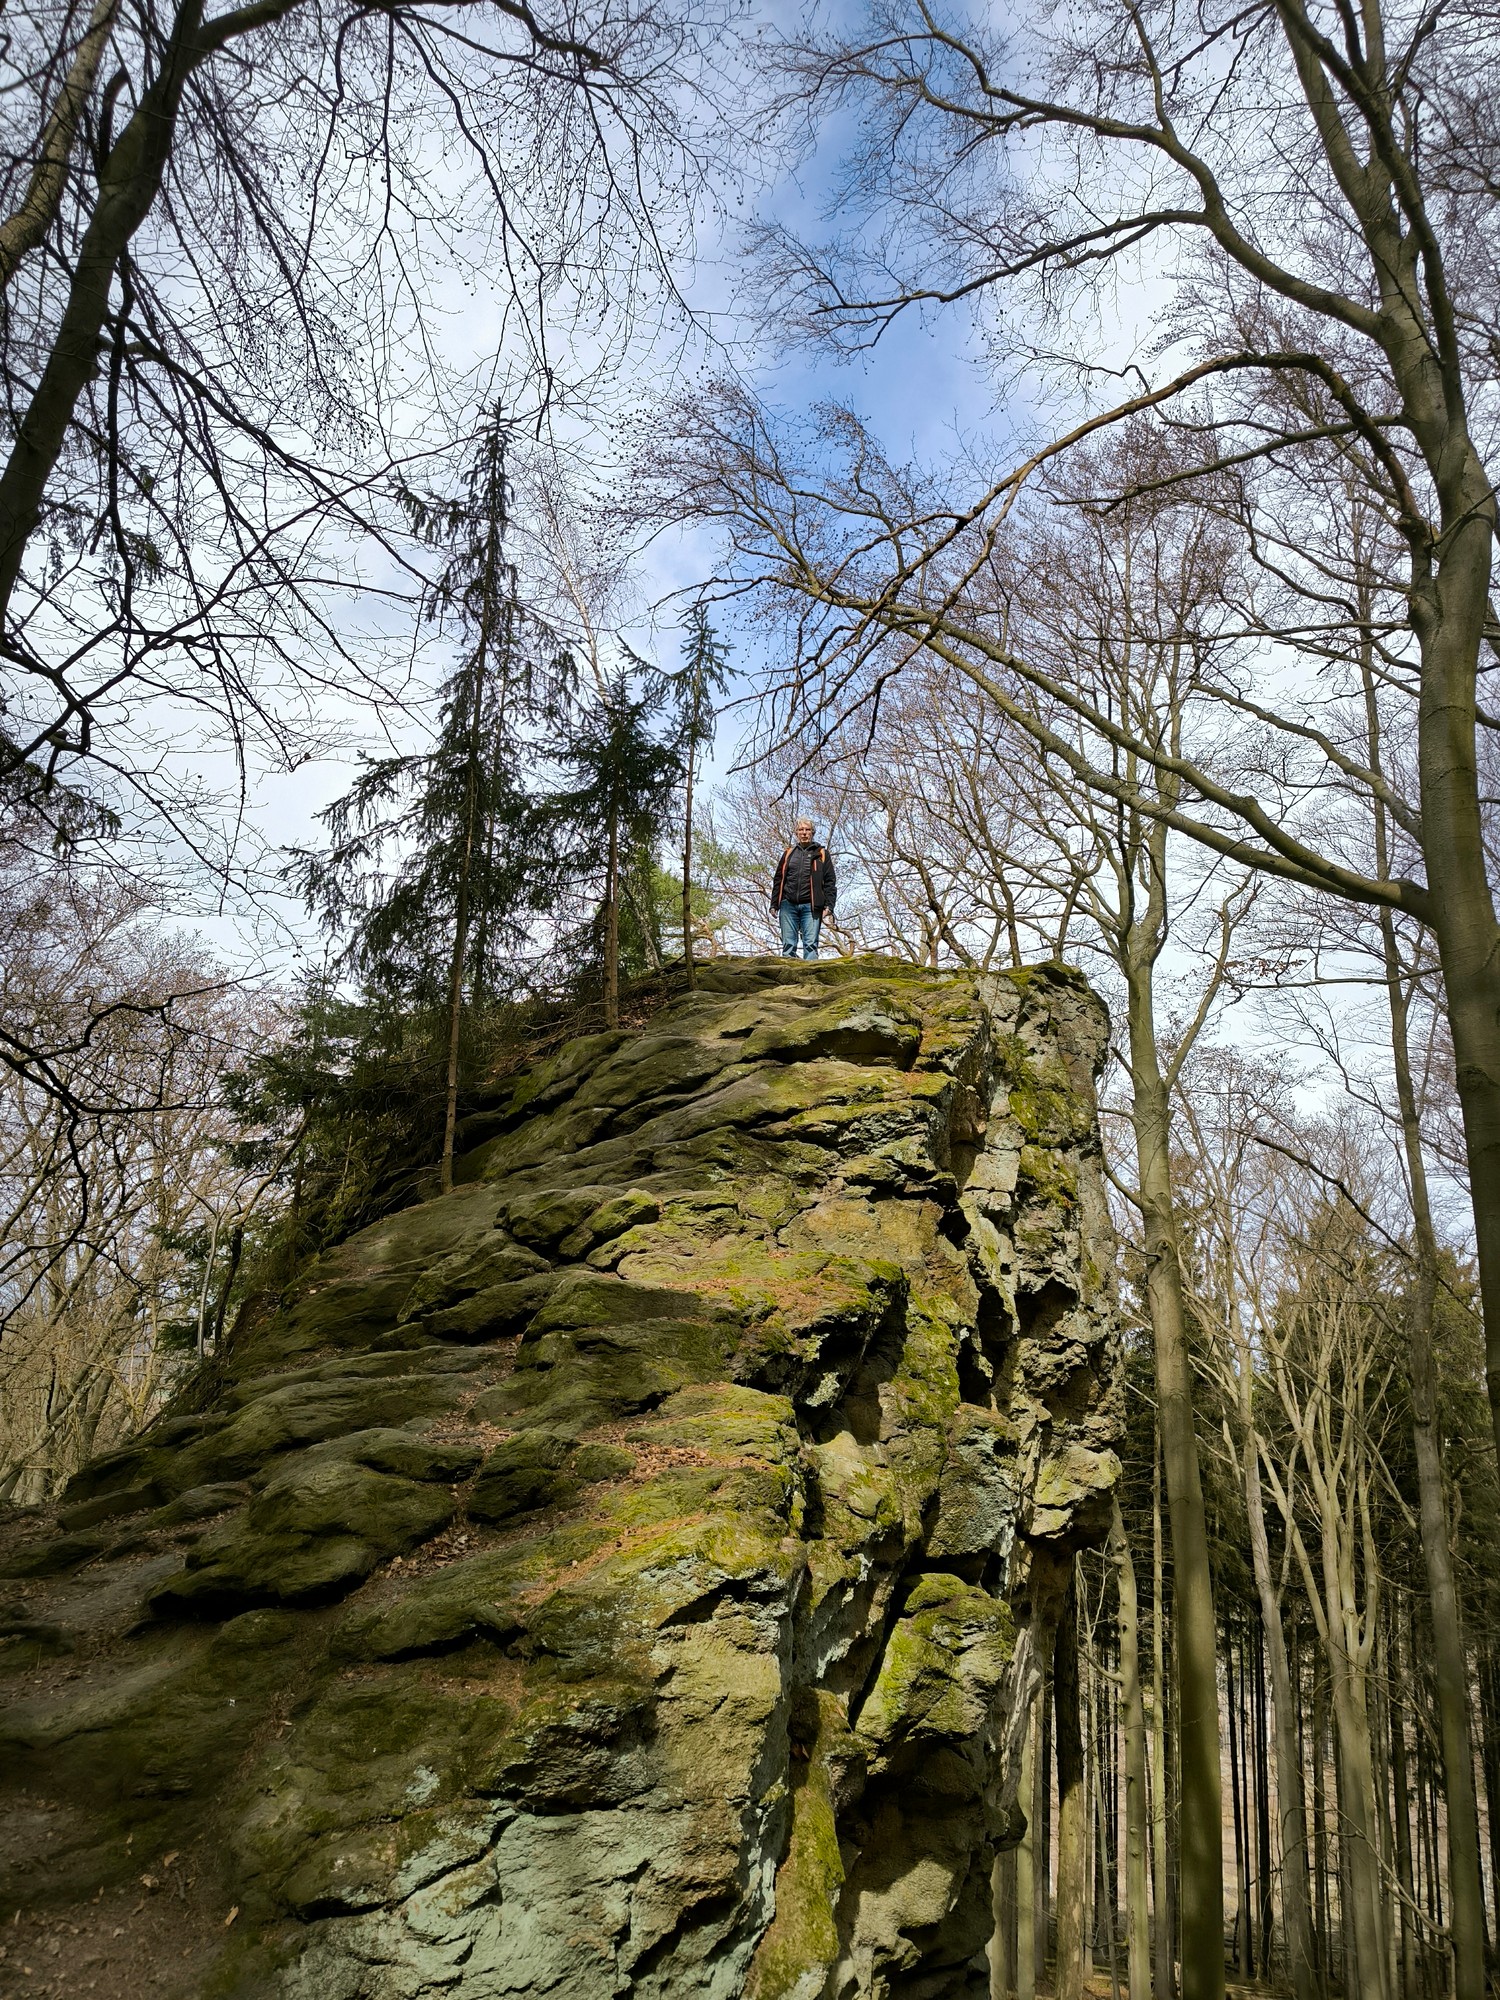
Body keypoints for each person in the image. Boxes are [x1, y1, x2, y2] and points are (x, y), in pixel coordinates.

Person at [770, 817, 836, 959]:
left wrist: (829, 906)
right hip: (788, 904)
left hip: (811, 906)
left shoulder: (822, 854)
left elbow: (830, 881)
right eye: (801, 830)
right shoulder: (788, 854)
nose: (804, 833)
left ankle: (811, 980)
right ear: (796, 833)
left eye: (807, 830)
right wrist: (774, 904)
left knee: (811, 945)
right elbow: (778, 879)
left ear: (812, 832)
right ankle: (788, 979)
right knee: (788, 945)